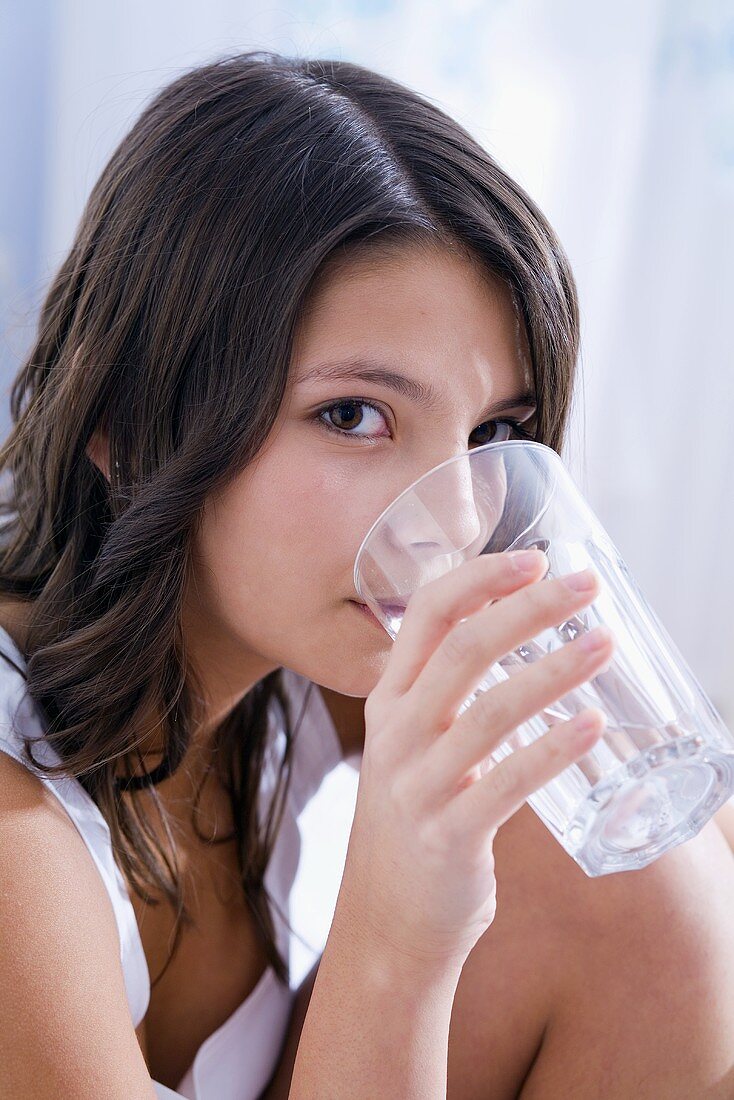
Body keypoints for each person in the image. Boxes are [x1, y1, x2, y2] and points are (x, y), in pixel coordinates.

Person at [0, 49, 732, 1100]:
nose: (458, 518)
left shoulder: (296, 652)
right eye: (352, 415)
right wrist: (400, 931)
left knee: (657, 881)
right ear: (125, 422)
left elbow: (688, 831)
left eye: (492, 430)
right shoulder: (14, 843)